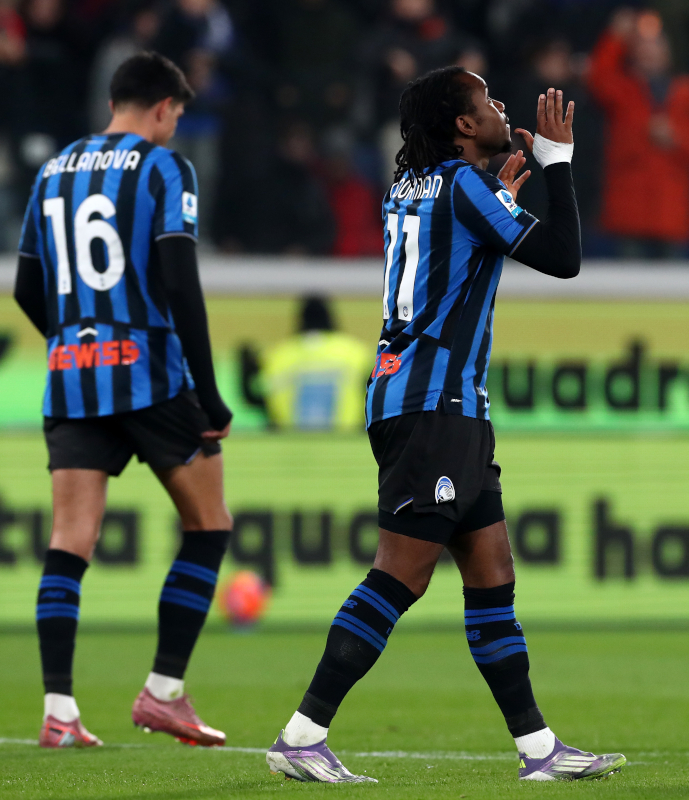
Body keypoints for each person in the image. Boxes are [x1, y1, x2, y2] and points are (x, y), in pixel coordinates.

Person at [264, 67, 626, 783]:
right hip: (435, 408)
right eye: (487, 102)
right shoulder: (466, 190)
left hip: (436, 405)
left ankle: (537, 749)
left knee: (493, 576)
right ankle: (302, 734)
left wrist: (502, 197)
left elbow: (462, 249)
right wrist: (558, 164)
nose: (500, 109)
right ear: (463, 126)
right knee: (400, 577)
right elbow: (564, 259)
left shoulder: (416, 187)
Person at [13, 52, 234, 749]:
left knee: (69, 541)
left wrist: (75, 338)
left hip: (72, 372)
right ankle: (163, 691)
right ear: (165, 107)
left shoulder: (51, 171)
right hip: (152, 375)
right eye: (177, 116)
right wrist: (209, 393)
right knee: (208, 525)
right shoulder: (165, 168)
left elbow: (25, 286)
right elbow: (179, 283)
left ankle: (59, 710)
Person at [587, 9, 689, 259]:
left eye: (655, 45)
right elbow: (597, 77)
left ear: (668, 52)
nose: (648, 51)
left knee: (675, 289)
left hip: (672, 208)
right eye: (642, 46)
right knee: (628, 287)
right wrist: (615, 37)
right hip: (630, 204)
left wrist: (675, 139)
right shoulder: (623, 89)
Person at [260, 296, 373, 431]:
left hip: (289, 442)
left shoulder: (279, 355)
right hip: (345, 441)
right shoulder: (356, 352)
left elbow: (261, 398)